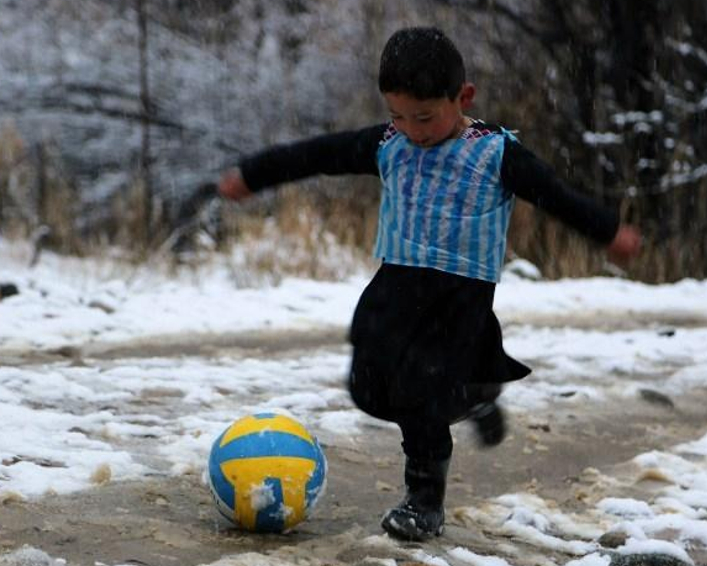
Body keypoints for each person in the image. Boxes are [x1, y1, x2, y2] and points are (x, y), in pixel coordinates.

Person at [217, 26, 641, 541]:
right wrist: (254, 175)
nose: (411, 129)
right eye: (398, 114)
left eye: (424, 116)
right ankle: (475, 391)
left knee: (419, 395)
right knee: (369, 389)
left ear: (462, 97)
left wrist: (607, 231)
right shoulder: (388, 143)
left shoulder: (495, 153)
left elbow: (555, 195)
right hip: (396, 283)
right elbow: (316, 155)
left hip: (459, 297)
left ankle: (424, 501)